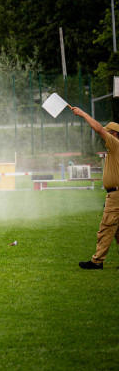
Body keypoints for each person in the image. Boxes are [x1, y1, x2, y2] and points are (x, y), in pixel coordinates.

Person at [72, 106, 119, 269]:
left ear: (113, 135)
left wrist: (83, 114)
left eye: (108, 133)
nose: (103, 135)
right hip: (115, 194)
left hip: (116, 195)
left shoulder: (115, 144)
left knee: (106, 228)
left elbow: (97, 128)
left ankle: (97, 261)